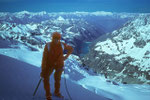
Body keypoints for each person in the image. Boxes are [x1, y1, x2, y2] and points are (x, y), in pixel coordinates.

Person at [40, 32, 73, 100]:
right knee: (46, 78)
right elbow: (44, 58)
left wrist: (66, 57)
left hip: (59, 65)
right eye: (55, 38)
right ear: (52, 38)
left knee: (57, 79)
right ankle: (48, 94)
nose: (57, 40)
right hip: (50, 65)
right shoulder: (48, 45)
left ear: (60, 39)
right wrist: (43, 69)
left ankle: (56, 92)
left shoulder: (62, 44)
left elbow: (71, 49)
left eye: (58, 38)